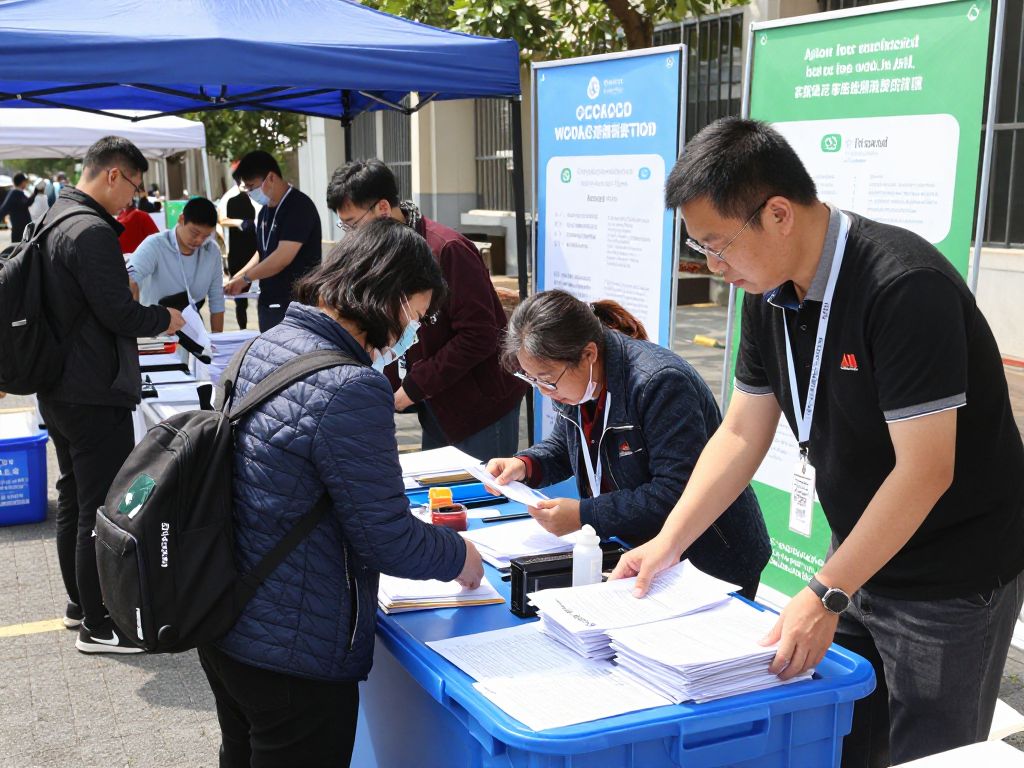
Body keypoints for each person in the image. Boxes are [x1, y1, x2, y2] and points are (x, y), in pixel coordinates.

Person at [611, 117, 1024, 766]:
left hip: (950, 575)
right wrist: (669, 542)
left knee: (933, 754)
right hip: (859, 557)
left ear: (778, 213)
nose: (714, 269)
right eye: (701, 252)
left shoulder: (902, 287)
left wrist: (827, 592)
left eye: (718, 247)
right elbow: (744, 431)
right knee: (844, 742)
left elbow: (925, 471)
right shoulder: (769, 294)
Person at [200, 217, 483, 767]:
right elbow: (388, 539)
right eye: (417, 318)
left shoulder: (266, 344)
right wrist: (460, 555)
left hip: (228, 619)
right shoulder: (353, 387)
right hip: (294, 650)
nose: (414, 334)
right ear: (390, 300)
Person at [485, 289, 770, 596]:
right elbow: (567, 447)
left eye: (547, 378)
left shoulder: (659, 382)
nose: (543, 390)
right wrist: (524, 464)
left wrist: (584, 514)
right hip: (639, 551)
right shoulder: (578, 380)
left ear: (589, 354)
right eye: (533, 379)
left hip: (709, 560)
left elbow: (676, 491)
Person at [38, 135, 185, 653]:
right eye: (135, 188)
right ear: (114, 174)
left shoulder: (52, 218)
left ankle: (80, 604)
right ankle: (99, 626)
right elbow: (117, 312)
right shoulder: (92, 231)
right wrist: (163, 319)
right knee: (101, 506)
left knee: (75, 497)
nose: (134, 202)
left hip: (56, 385)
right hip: (93, 389)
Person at [326, 159, 527, 459]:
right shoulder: (379, 253)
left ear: (383, 208)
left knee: (481, 500)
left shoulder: (447, 249)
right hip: (433, 403)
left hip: (480, 407)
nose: (351, 235)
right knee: (437, 499)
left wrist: (414, 387)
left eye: (353, 224)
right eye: (345, 226)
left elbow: (480, 335)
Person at [223, 151, 321, 332]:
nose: (251, 193)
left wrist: (246, 278)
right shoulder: (264, 212)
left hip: (296, 303)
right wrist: (238, 278)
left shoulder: (298, 206)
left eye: (252, 187)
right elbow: (262, 252)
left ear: (271, 177)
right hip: (269, 300)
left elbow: (282, 257)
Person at [128, 196, 225, 332]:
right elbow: (129, 277)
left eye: (205, 236)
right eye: (194, 233)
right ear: (181, 219)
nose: (199, 240)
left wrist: (217, 339)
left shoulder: (211, 251)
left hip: (191, 328)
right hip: (155, 329)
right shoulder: (155, 245)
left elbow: (217, 299)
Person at [218, 179, 259, 330]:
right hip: (237, 252)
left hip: (255, 250)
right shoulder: (229, 198)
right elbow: (221, 219)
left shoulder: (258, 197)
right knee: (240, 299)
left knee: (258, 296)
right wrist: (240, 222)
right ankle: (243, 330)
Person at [0, 172, 44, 242]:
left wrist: (35, 193)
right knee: (17, 248)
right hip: (19, 228)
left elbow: (26, 203)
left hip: (22, 227)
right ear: (22, 182)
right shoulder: (15, 193)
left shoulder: (17, 192)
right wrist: (35, 193)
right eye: (25, 182)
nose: (26, 184)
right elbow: (26, 203)